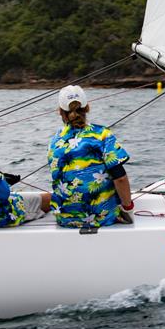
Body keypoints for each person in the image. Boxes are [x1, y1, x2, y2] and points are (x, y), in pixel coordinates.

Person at [47, 85, 134, 228]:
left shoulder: (55, 141)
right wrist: (128, 208)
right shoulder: (102, 135)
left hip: (65, 219)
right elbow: (120, 178)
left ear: (60, 112)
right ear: (87, 108)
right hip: (102, 218)